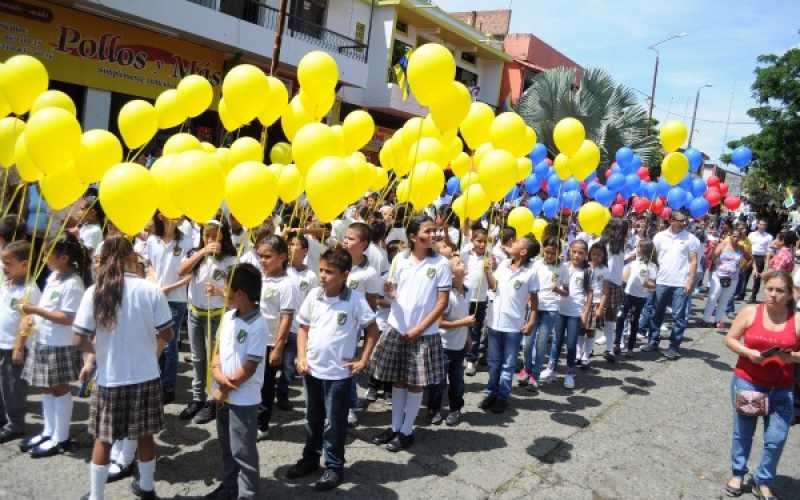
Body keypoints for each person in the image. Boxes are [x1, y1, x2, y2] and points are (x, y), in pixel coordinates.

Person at [73, 236, 174, 500]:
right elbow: (168, 334)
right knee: (144, 436)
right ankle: (148, 488)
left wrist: (100, 353)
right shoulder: (151, 289)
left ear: (104, 259)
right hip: (147, 375)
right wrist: (153, 352)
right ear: (132, 257)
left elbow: (77, 338)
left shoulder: (95, 291)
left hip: (111, 378)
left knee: (103, 439)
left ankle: (96, 496)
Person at [288, 248, 379, 491]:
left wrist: (362, 360)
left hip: (338, 375)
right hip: (312, 371)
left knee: (335, 423)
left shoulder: (355, 300)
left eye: (329, 272)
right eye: (321, 270)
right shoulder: (315, 295)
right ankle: (310, 459)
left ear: (345, 275)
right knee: (312, 419)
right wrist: (301, 356)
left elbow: (373, 331)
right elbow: (304, 327)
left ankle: (334, 466)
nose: (323, 276)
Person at [370, 215, 451, 452]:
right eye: (428, 230)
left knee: (416, 383)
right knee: (399, 379)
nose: (434, 234)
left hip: (423, 333)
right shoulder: (400, 260)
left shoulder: (441, 264)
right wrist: (389, 291)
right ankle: (395, 427)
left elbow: (441, 302)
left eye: (435, 230)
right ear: (413, 237)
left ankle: (407, 430)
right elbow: (393, 293)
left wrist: (420, 328)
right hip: (398, 327)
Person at [723, 271, 800, 499]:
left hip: (781, 388)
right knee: (743, 432)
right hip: (749, 382)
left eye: (779, 291)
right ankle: (738, 473)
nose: (773, 295)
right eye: (770, 289)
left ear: (789, 294)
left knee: (776, 439)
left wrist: (792, 357)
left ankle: (763, 480)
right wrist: (749, 352)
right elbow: (730, 339)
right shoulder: (751, 312)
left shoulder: (796, 319)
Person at [20, 233, 88, 458]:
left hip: (59, 343)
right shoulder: (54, 276)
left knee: (59, 388)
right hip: (44, 339)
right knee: (46, 388)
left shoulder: (73, 283)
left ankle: (61, 436)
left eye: (49, 254)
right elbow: (47, 305)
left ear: (64, 257)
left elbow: (68, 317)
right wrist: (33, 317)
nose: (45, 258)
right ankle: (49, 431)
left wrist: (36, 311)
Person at [206, 263, 267, 500]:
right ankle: (230, 486)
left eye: (228, 290)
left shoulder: (258, 325)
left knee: (243, 450)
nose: (225, 294)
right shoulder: (229, 316)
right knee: (227, 446)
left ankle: (248, 493)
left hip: (242, 398)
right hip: (224, 393)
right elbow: (219, 350)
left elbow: (249, 368)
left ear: (240, 294)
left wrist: (223, 387)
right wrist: (216, 370)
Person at [178, 219, 237, 424]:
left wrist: (219, 290)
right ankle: (197, 398)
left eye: (215, 235)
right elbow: (181, 271)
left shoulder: (229, 260)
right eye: (206, 235)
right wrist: (202, 252)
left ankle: (214, 400)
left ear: (223, 236)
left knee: (215, 359)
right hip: (195, 313)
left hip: (217, 315)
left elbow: (234, 292)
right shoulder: (196, 254)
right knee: (197, 357)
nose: (210, 239)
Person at [482, 236, 538, 413]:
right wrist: (488, 272)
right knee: (493, 361)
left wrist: (531, 321)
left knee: (508, 364)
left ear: (523, 252)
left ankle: (503, 396)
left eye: (517, 243)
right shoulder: (505, 264)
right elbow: (494, 287)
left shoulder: (530, 273)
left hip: (513, 325)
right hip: (494, 322)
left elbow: (535, 300)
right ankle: (491, 391)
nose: (512, 243)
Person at [254, 234, 300, 440]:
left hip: (270, 342)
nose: (263, 260)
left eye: (268, 256)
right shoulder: (259, 276)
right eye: (260, 256)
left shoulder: (287, 284)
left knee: (266, 384)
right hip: (253, 339)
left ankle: (261, 425)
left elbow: (286, 317)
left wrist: (278, 347)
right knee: (251, 381)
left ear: (282, 257)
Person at [146, 212, 192, 405]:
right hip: (154, 297)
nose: (175, 217)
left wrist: (169, 289)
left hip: (176, 299)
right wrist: (155, 284)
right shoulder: (152, 240)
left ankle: (168, 387)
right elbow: (149, 265)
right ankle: (154, 382)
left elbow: (190, 274)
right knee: (154, 342)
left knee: (169, 345)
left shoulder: (187, 241)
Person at [640, 211, 699, 359]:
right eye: (679, 220)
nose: (683, 223)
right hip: (661, 281)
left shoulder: (691, 239)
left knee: (678, 316)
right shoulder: (659, 237)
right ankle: (653, 342)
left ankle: (674, 347)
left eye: (684, 220)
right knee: (656, 313)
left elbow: (693, 261)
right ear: (671, 220)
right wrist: (649, 277)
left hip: (681, 282)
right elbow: (653, 259)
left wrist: (690, 280)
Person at [0, 241, 41, 443]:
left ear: (24, 265)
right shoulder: (8, 284)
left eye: (7, 263)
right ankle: (2, 419)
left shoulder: (29, 290)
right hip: (1, 343)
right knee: (1, 386)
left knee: (13, 387)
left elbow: (28, 320)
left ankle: (15, 424)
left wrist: (19, 346)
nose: (3, 267)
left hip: (13, 346)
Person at [341, 222, 381, 427]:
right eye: (345, 237)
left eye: (350, 238)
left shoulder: (370, 273)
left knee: (348, 366)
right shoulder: (337, 262)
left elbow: (372, 305)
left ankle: (351, 406)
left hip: (353, 328)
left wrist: (367, 337)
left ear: (363, 244)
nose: (345, 240)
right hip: (333, 324)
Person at [540, 239, 592, 389]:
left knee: (570, 344)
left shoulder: (587, 272)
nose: (576, 255)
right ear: (569, 251)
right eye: (574, 252)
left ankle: (569, 373)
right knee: (557, 341)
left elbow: (589, 294)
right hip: (559, 309)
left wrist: (586, 313)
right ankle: (551, 368)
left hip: (575, 312)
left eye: (580, 253)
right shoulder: (563, 267)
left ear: (585, 255)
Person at [428, 256, 472, 426]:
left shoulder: (467, 291)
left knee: (457, 381)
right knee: (438, 382)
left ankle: (455, 409)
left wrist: (468, 336)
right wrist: (465, 323)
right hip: (443, 346)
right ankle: (434, 409)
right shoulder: (447, 296)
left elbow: (466, 317)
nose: (463, 263)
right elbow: (440, 322)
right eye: (459, 264)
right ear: (452, 275)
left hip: (459, 345)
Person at [520, 237, 560, 391]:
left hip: (550, 310)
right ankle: (527, 370)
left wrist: (558, 289)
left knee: (541, 344)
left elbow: (566, 291)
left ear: (558, 253)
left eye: (553, 253)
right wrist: (527, 302)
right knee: (528, 344)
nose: (549, 256)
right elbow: (530, 285)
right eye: (547, 252)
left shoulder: (561, 267)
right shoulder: (536, 264)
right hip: (534, 308)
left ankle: (535, 376)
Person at [614, 239, 657, 354]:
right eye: (637, 247)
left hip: (640, 297)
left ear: (646, 250)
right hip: (628, 295)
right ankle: (617, 343)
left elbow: (653, 286)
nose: (637, 250)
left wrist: (646, 282)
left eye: (639, 247)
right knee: (620, 318)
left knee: (634, 321)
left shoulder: (651, 266)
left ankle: (630, 348)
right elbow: (625, 278)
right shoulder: (634, 263)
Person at [461, 227, 494, 376]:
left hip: (479, 300)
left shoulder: (489, 257)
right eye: (478, 241)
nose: (481, 244)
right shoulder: (466, 255)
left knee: (475, 331)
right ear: (472, 241)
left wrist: (488, 269)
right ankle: (460, 355)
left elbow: (492, 280)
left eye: (484, 242)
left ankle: (471, 360)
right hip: (465, 298)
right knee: (462, 329)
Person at [703, 229, 749, 332]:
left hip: (732, 278)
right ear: (730, 236)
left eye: (738, 237)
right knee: (713, 296)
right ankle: (705, 319)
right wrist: (715, 254)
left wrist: (742, 268)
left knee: (724, 299)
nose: (735, 239)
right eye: (734, 236)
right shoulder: (723, 245)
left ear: (741, 238)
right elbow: (712, 257)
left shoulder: (741, 248)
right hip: (719, 275)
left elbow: (749, 258)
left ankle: (717, 320)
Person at [595, 219, 628, 362]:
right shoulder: (602, 245)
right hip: (602, 283)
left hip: (615, 284)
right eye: (624, 231)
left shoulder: (619, 247)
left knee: (610, 317)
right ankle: (588, 349)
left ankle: (609, 348)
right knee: (596, 316)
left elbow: (617, 265)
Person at [581, 242, 609, 365]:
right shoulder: (584, 267)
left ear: (604, 256)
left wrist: (600, 308)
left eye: (599, 255)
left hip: (596, 303)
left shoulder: (605, 270)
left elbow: (605, 292)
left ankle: (586, 355)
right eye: (593, 254)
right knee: (580, 329)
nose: (596, 257)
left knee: (591, 330)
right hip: (582, 302)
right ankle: (578, 353)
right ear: (589, 254)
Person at [745, 219, 774, 303]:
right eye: (760, 224)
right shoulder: (751, 234)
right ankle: (741, 293)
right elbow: (748, 245)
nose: (762, 226)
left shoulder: (769, 237)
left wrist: (767, 262)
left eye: (764, 225)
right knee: (745, 275)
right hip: (750, 256)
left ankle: (753, 296)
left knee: (757, 278)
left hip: (760, 258)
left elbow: (769, 250)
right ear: (757, 225)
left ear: (766, 226)